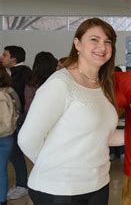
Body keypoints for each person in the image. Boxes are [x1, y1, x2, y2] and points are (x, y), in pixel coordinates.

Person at [18, 18, 123, 204]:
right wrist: (54, 166)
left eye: (108, 42)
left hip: (98, 183)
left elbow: (101, 134)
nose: (102, 46)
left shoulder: (102, 85)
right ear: (77, 44)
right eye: (94, 39)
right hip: (60, 188)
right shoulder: (60, 83)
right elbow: (27, 138)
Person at [1, 45, 31, 200]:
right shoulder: (14, 73)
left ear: (13, 58)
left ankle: (22, 185)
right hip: (15, 123)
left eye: (4, 55)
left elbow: (20, 101)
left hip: (16, 123)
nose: (2, 57)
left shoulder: (21, 75)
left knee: (16, 155)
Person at [0, 65, 21, 205]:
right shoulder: (10, 91)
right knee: (1, 170)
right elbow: (18, 110)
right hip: (7, 137)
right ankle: (2, 200)